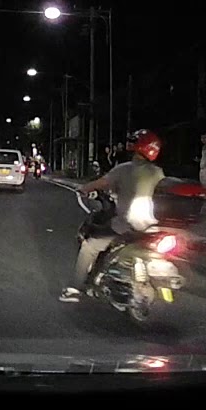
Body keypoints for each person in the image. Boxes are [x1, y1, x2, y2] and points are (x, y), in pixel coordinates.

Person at [59, 129, 165, 303]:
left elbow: (102, 183)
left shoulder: (124, 169)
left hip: (126, 224)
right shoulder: (158, 172)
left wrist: (84, 188)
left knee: (89, 246)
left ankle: (74, 288)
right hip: (151, 225)